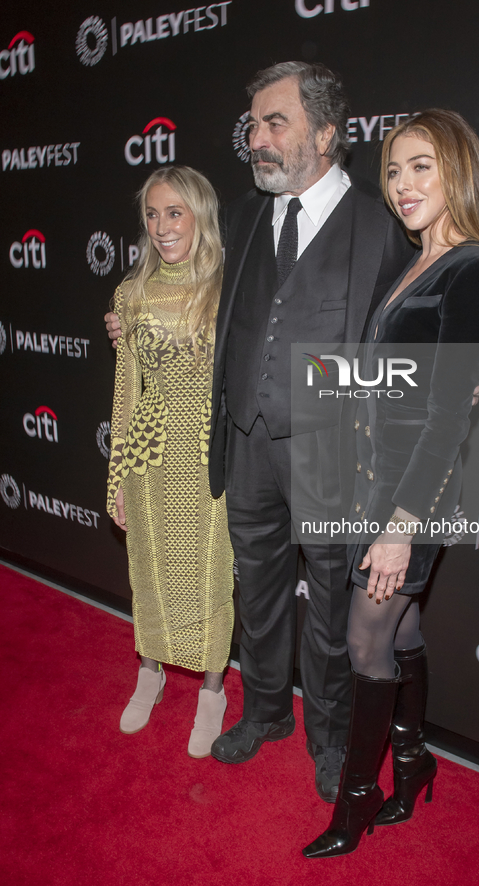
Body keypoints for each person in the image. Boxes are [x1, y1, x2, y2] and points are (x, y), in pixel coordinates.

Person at [104, 65, 479, 801]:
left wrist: (459, 375)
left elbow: (415, 339)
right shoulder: (248, 216)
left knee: (329, 611)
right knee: (259, 593)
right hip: (244, 443)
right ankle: (268, 713)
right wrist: (133, 321)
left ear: (323, 132)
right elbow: (190, 298)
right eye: (252, 124)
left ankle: (329, 734)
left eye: (273, 122)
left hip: (329, 452)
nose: (256, 138)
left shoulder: (381, 230)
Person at [303, 109, 479, 858]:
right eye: (392, 169)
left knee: (366, 643)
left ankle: (355, 803)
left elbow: (445, 419)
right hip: (375, 481)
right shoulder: (417, 261)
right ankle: (412, 760)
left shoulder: (475, 269)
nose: (401, 184)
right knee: (405, 630)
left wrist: (399, 526)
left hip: (410, 496)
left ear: (456, 170)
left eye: (420, 166)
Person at [106, 165, 234, 758]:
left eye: (174, 212)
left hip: (210, 455)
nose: (162, 226)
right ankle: (150, 671)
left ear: (199, 215)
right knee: (150, 570)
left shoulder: (228, 286)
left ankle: (213, 690)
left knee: (209, 577)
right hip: (148, 452)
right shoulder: (130, 294)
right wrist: (117, 481)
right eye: (152, 215)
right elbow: (125, 387)